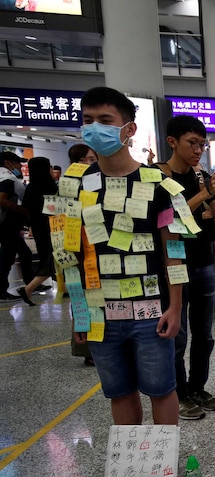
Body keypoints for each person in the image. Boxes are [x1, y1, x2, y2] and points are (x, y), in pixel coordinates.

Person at [70, 86, 189, 477]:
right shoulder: (78, 188)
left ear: (128, 129)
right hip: (102, 310)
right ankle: (126, 468)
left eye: (104, 120)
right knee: (118, 391)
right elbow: (70, 254)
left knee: (160, 388)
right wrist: (79, 314)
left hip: (151, 306)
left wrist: (175, 306)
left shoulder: (158, 185)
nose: (94, 128)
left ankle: (164, 467)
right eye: (88, 119)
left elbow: (172, 247)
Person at [156, 115, 215, 420]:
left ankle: (198, 386)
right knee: (178, 336)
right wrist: (202, 196)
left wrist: (210, 198)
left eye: (202, 144)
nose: (198, 149)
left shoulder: (201, 176)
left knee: (205, 334)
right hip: (174, 266)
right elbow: (169, 218)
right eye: (192, 143)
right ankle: (179, 393)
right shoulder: (158, 176)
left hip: (202, 261)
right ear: (173, 141)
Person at [68, 143, 99, 366]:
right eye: (89, 159)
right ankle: (85, 347)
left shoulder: (96, 182)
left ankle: (94, 345)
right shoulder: (69, 186)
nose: (92, 163)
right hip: (78, 249)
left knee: (94, 296)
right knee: (82, 296)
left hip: (95, 246)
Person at [16, 157, 57, 305]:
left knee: (50, 258)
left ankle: (63, 289)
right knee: (53, 259)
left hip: (39, 228)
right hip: (54, 228)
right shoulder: (50, 186)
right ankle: (29, 288)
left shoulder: (31, 187)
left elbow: (27, 210)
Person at [0, 151, 31, 300]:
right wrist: (24, 211)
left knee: (24, 253)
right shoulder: (6, 178)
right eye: (17, 162)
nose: (20, 165)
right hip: (6, 224)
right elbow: (2, 199)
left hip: (7, 223)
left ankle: (31, 283)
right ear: (8, 163)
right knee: (7, 257)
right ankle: (1, 290)